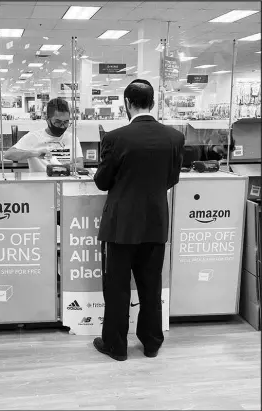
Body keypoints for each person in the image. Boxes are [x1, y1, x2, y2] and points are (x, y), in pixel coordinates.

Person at [93, 79, 185, 361]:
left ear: (127, 103)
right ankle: (152, 343)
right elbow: (172, 179)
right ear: (153, 103)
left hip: (121, 225)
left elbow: (102, 181)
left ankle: (116, 346)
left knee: (118, 288)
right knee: (151, 285)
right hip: (155, 222)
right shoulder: (174, 138)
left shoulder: (115, 137)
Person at [4, 97, 84, 172]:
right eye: (58, 122)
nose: (62, 126)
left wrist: (65, 168)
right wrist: (34, 153)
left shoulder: (71, 138)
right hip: (41, 184)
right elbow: (8, 154)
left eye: (66, 122)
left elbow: (80, 164)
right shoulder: (33, 137)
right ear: (47, 120)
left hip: (66, 184)